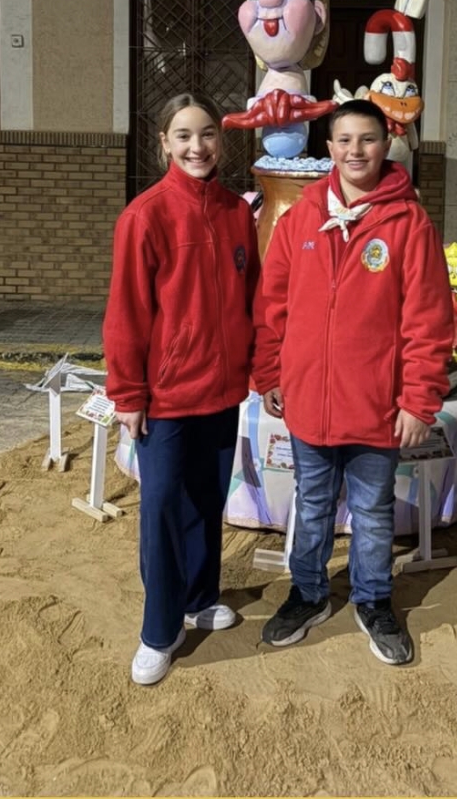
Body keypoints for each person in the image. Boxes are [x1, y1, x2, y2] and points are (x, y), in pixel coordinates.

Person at [253, 99, 454, 665]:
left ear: (386, 145)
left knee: (371, 512)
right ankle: (308, 593)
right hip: (309, 403)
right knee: (312, 504)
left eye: (367, 139)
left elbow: (428, 320)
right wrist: (270, 372)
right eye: (344, 140)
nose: (355, 151)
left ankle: (373, 599)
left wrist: (418, 400)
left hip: (375, 405)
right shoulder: (301, 219)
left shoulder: (408, 223)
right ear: (329, 148)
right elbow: (272, 305)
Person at [103, 92, 259, 686]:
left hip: (221, 392)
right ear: (164, 143)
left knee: (206, 500)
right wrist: (129, 394)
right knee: (163, 509)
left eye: (208, 134)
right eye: (184, 135)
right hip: (166, 398)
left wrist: (256, 370)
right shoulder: (144, 215)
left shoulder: (237, 212)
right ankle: (159, 630)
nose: (198, 147)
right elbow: (126, 313)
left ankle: (199, 597)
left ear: (222, 141)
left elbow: (252, 298)